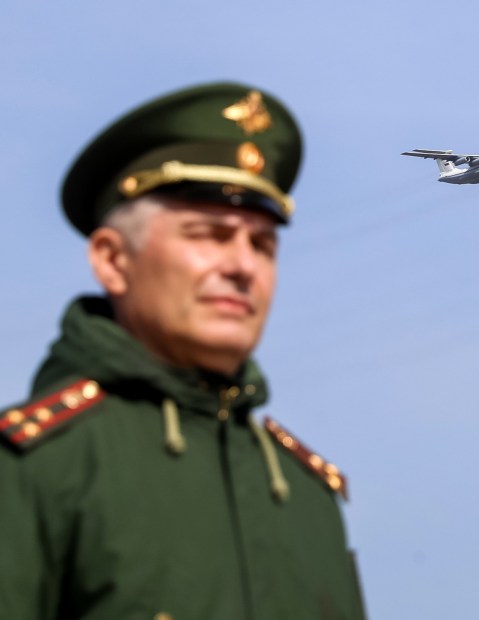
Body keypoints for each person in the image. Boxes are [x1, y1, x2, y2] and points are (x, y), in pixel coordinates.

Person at [0, 83, 366, 619]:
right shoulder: (35, 467)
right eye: (210, 235)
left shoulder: (306, 498)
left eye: (262, 245)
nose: (243, 267)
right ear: (112, 260)